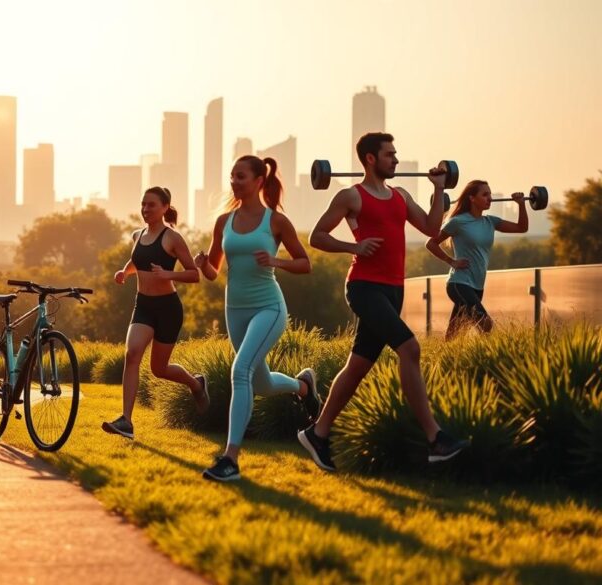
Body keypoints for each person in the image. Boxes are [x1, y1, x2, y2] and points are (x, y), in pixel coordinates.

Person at [299, 132, 469, 472]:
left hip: (393, 289)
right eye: (390, 154)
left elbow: (433, 228)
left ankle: (317, 433)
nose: (396, 159)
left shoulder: (401, 196)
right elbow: (317, 236)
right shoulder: (352, 196)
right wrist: (353, 248)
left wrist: (438, 189)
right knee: (410, 349)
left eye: (396, 153)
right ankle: (435, 439)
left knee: (359, 365)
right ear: (371, 159)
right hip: (364, 287)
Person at [193, 155, 321, 482]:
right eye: (232, 176)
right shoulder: (224, 221)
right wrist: (201, 263)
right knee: (260, 383)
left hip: (269, 307)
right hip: (235, 309)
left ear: (258, 182)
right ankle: (303, 387)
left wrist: (275, 262)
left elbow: (305, 263)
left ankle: (230, 459)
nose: (234, 182)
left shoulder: (275, 222)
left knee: (241, 370)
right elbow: (213, 273)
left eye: (241, 176)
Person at [102, 186, 209, 440]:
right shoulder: (138, 235)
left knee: (159, 369)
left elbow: (194, 274)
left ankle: (196, 384)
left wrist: (168, 274)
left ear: (164, 207)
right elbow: (137, 261)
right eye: (143, 204)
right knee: (132, 354)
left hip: (168, 309)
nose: (146, 209)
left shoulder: (172, 237)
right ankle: (126, 421)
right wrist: (124, 272)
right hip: (144, 306)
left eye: (151, 205)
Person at [426, 180, 529, 338]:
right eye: (485, 194)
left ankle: (445, 359)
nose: (490, 198)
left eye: (490, 194)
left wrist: (521, 204)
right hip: (459, 283)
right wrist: (451, 261)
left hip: (477, 286)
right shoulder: (458, 222)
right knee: (485, 323)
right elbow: (431, 243)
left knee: (455, 335)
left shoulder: (490, 222)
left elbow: (521, 228)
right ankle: (490, 357)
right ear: (472, 198)